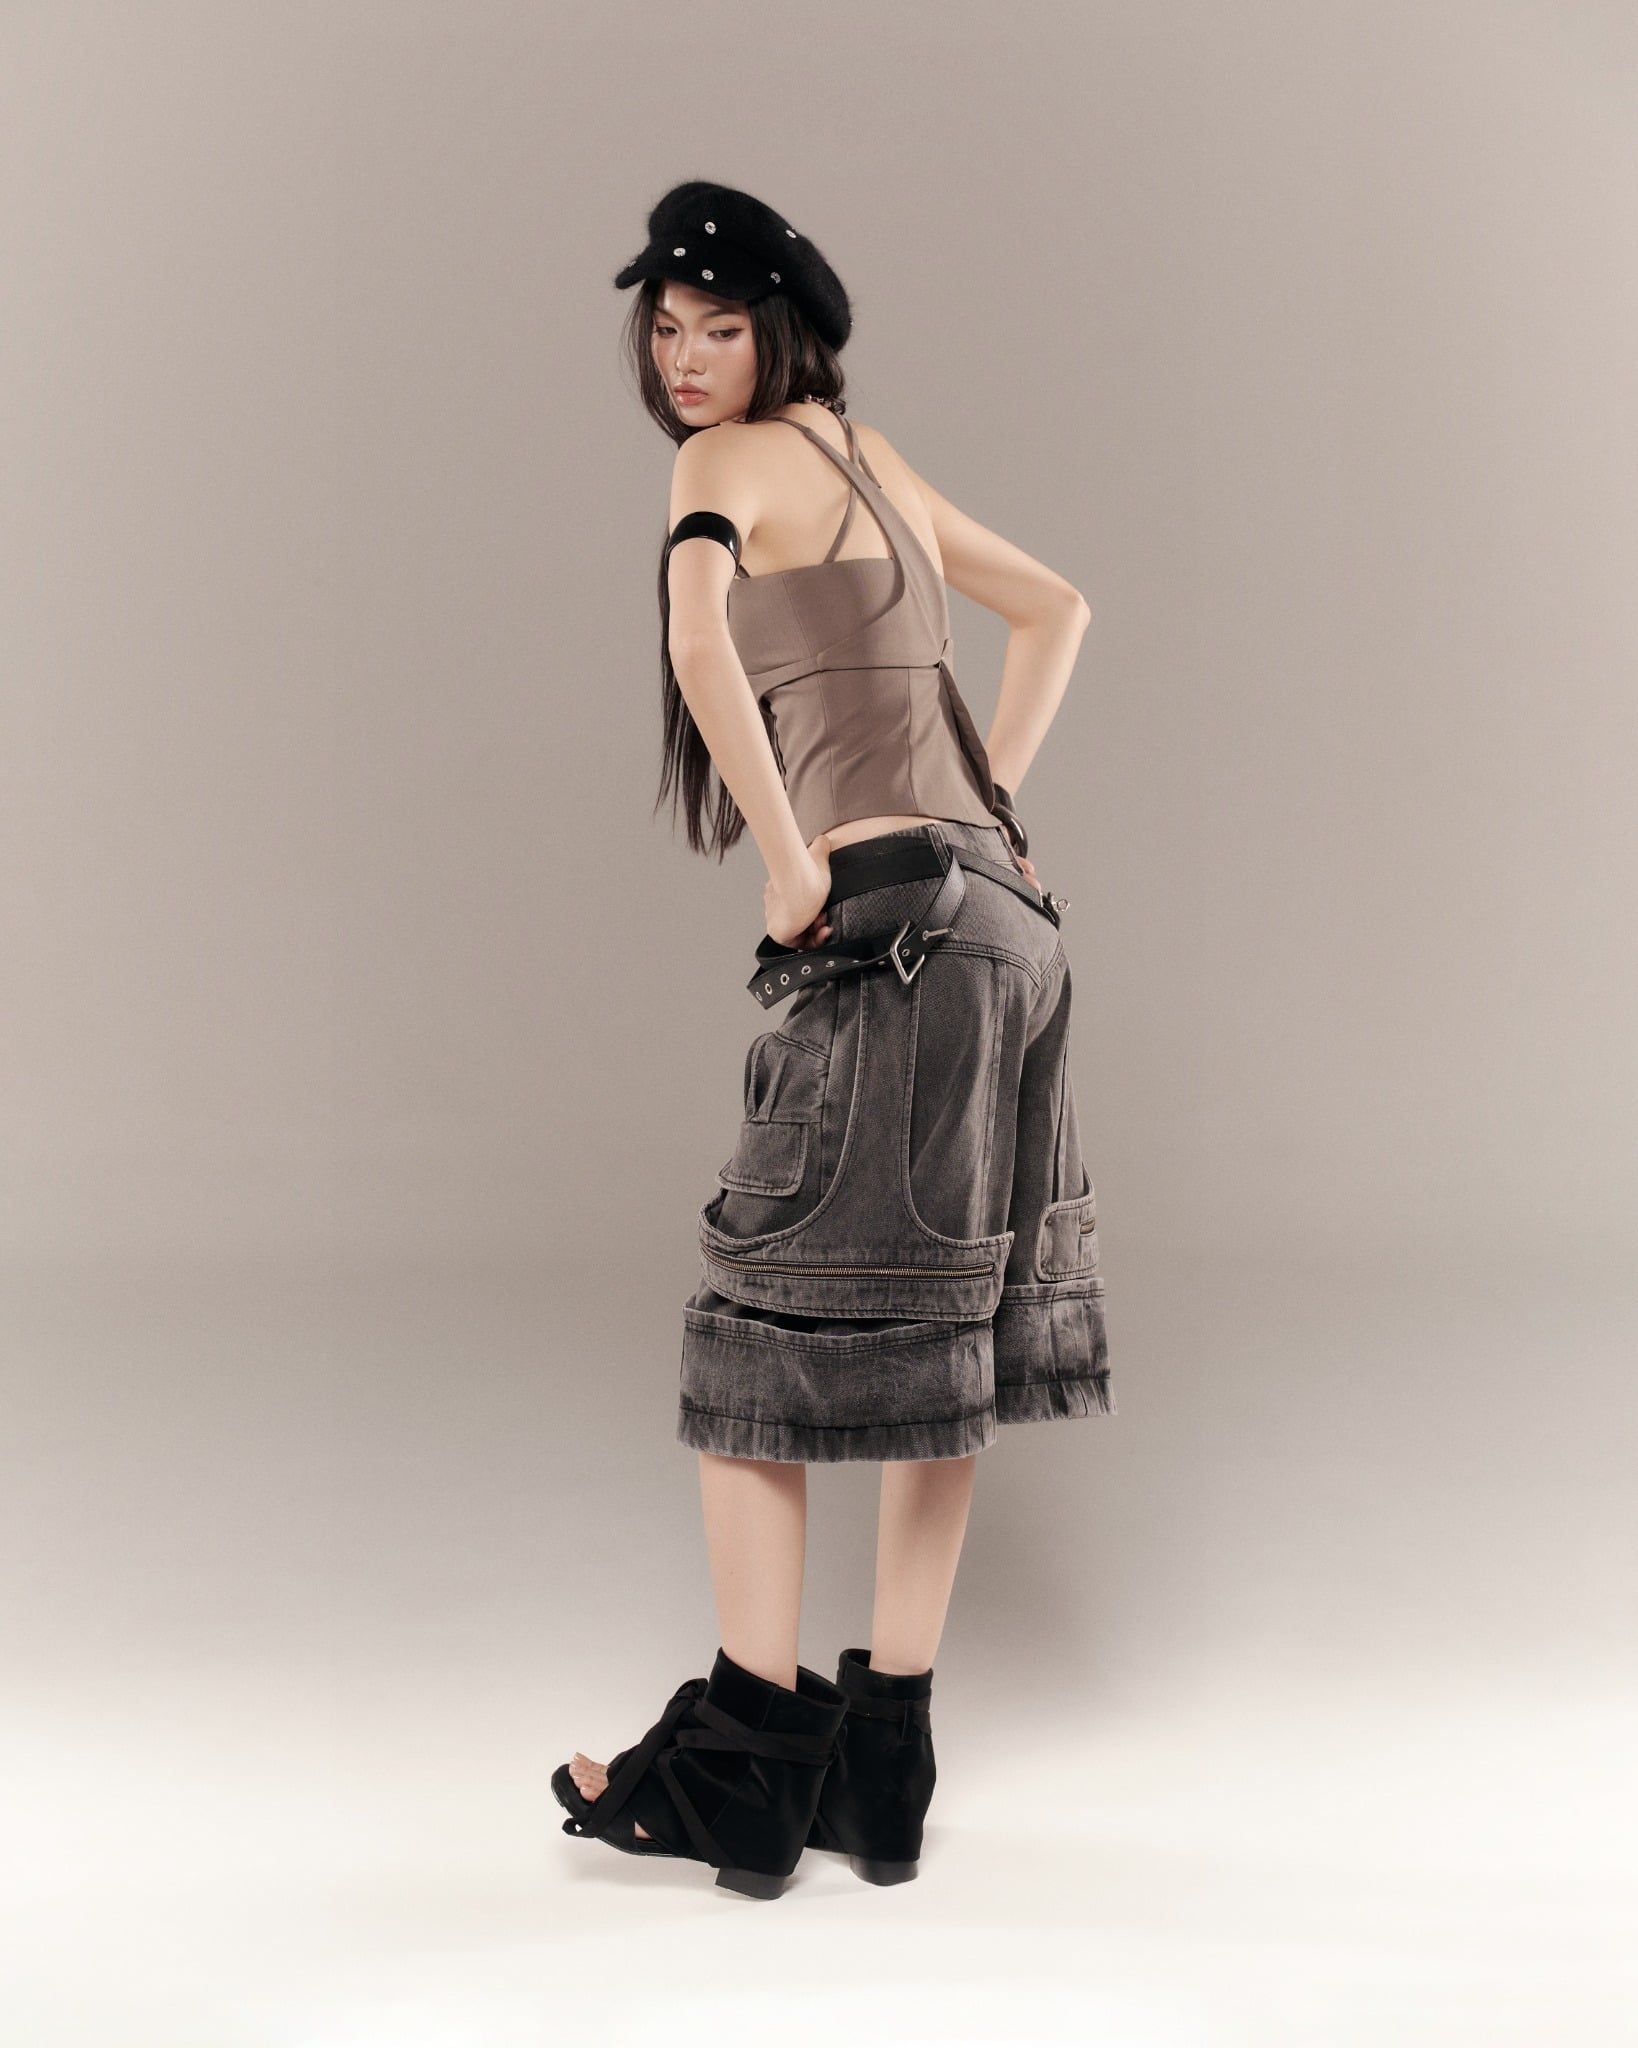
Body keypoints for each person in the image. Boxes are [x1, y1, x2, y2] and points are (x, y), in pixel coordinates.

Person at [553, 182, 1113, 1900]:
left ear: (776, 332)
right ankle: (883, 1767)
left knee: (759, 1343)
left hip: (891, 930)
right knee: (943, 1343)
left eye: (718, 328)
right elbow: (1059, 608)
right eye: (665, 329)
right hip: (1007, 929)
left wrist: (792, 858)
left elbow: (693, 634)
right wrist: (991, 810)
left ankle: (743, 1764)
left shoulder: (722, 468)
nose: (685, 360)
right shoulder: (874, 463)